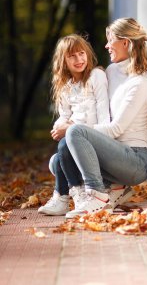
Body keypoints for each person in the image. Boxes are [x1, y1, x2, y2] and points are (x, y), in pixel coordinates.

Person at [60, 17, 147, 218]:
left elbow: (115, 129)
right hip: (114, 153)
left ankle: (98, 195)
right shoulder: (111, 71)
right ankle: (115, 188)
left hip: (136, 161)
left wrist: (73, 129)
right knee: (57, 160)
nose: (106, 45)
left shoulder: (139, 83)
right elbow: (94, 102)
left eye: (110, 40)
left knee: (75, 132)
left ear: (125, 43)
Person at [38, 34, 110, 216]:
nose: (79, 59)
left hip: (97, 138)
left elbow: (103, 118)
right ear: (63, 61)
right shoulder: (66, 86)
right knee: (58, 157)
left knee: (65, 143)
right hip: (74, 142)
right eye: (72, 56)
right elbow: (64, 116)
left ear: (88, 54)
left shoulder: (96, 76)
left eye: (81, 53)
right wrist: (60, 126)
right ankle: (67, 197)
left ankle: (68, 196)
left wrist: (70, 127)